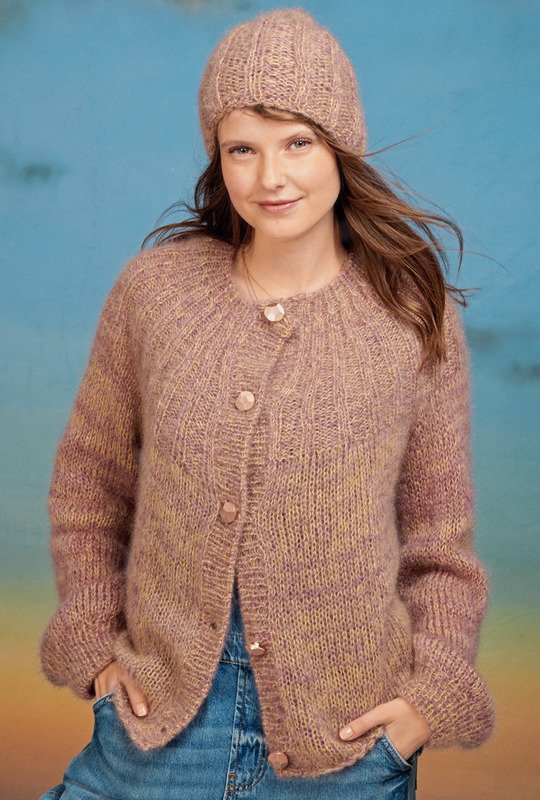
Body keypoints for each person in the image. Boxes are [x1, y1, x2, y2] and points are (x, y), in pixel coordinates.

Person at [37, 7, 496, 800]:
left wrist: (426, 703)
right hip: (157, 729)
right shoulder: (156, 295)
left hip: (347, 747)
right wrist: (93, 645)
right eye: (242, 149)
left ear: (341, 146)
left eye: (298, 143)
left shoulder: (409, 316)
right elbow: (88, 487)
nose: (270, 178)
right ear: (218, 158)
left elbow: (439, 545)